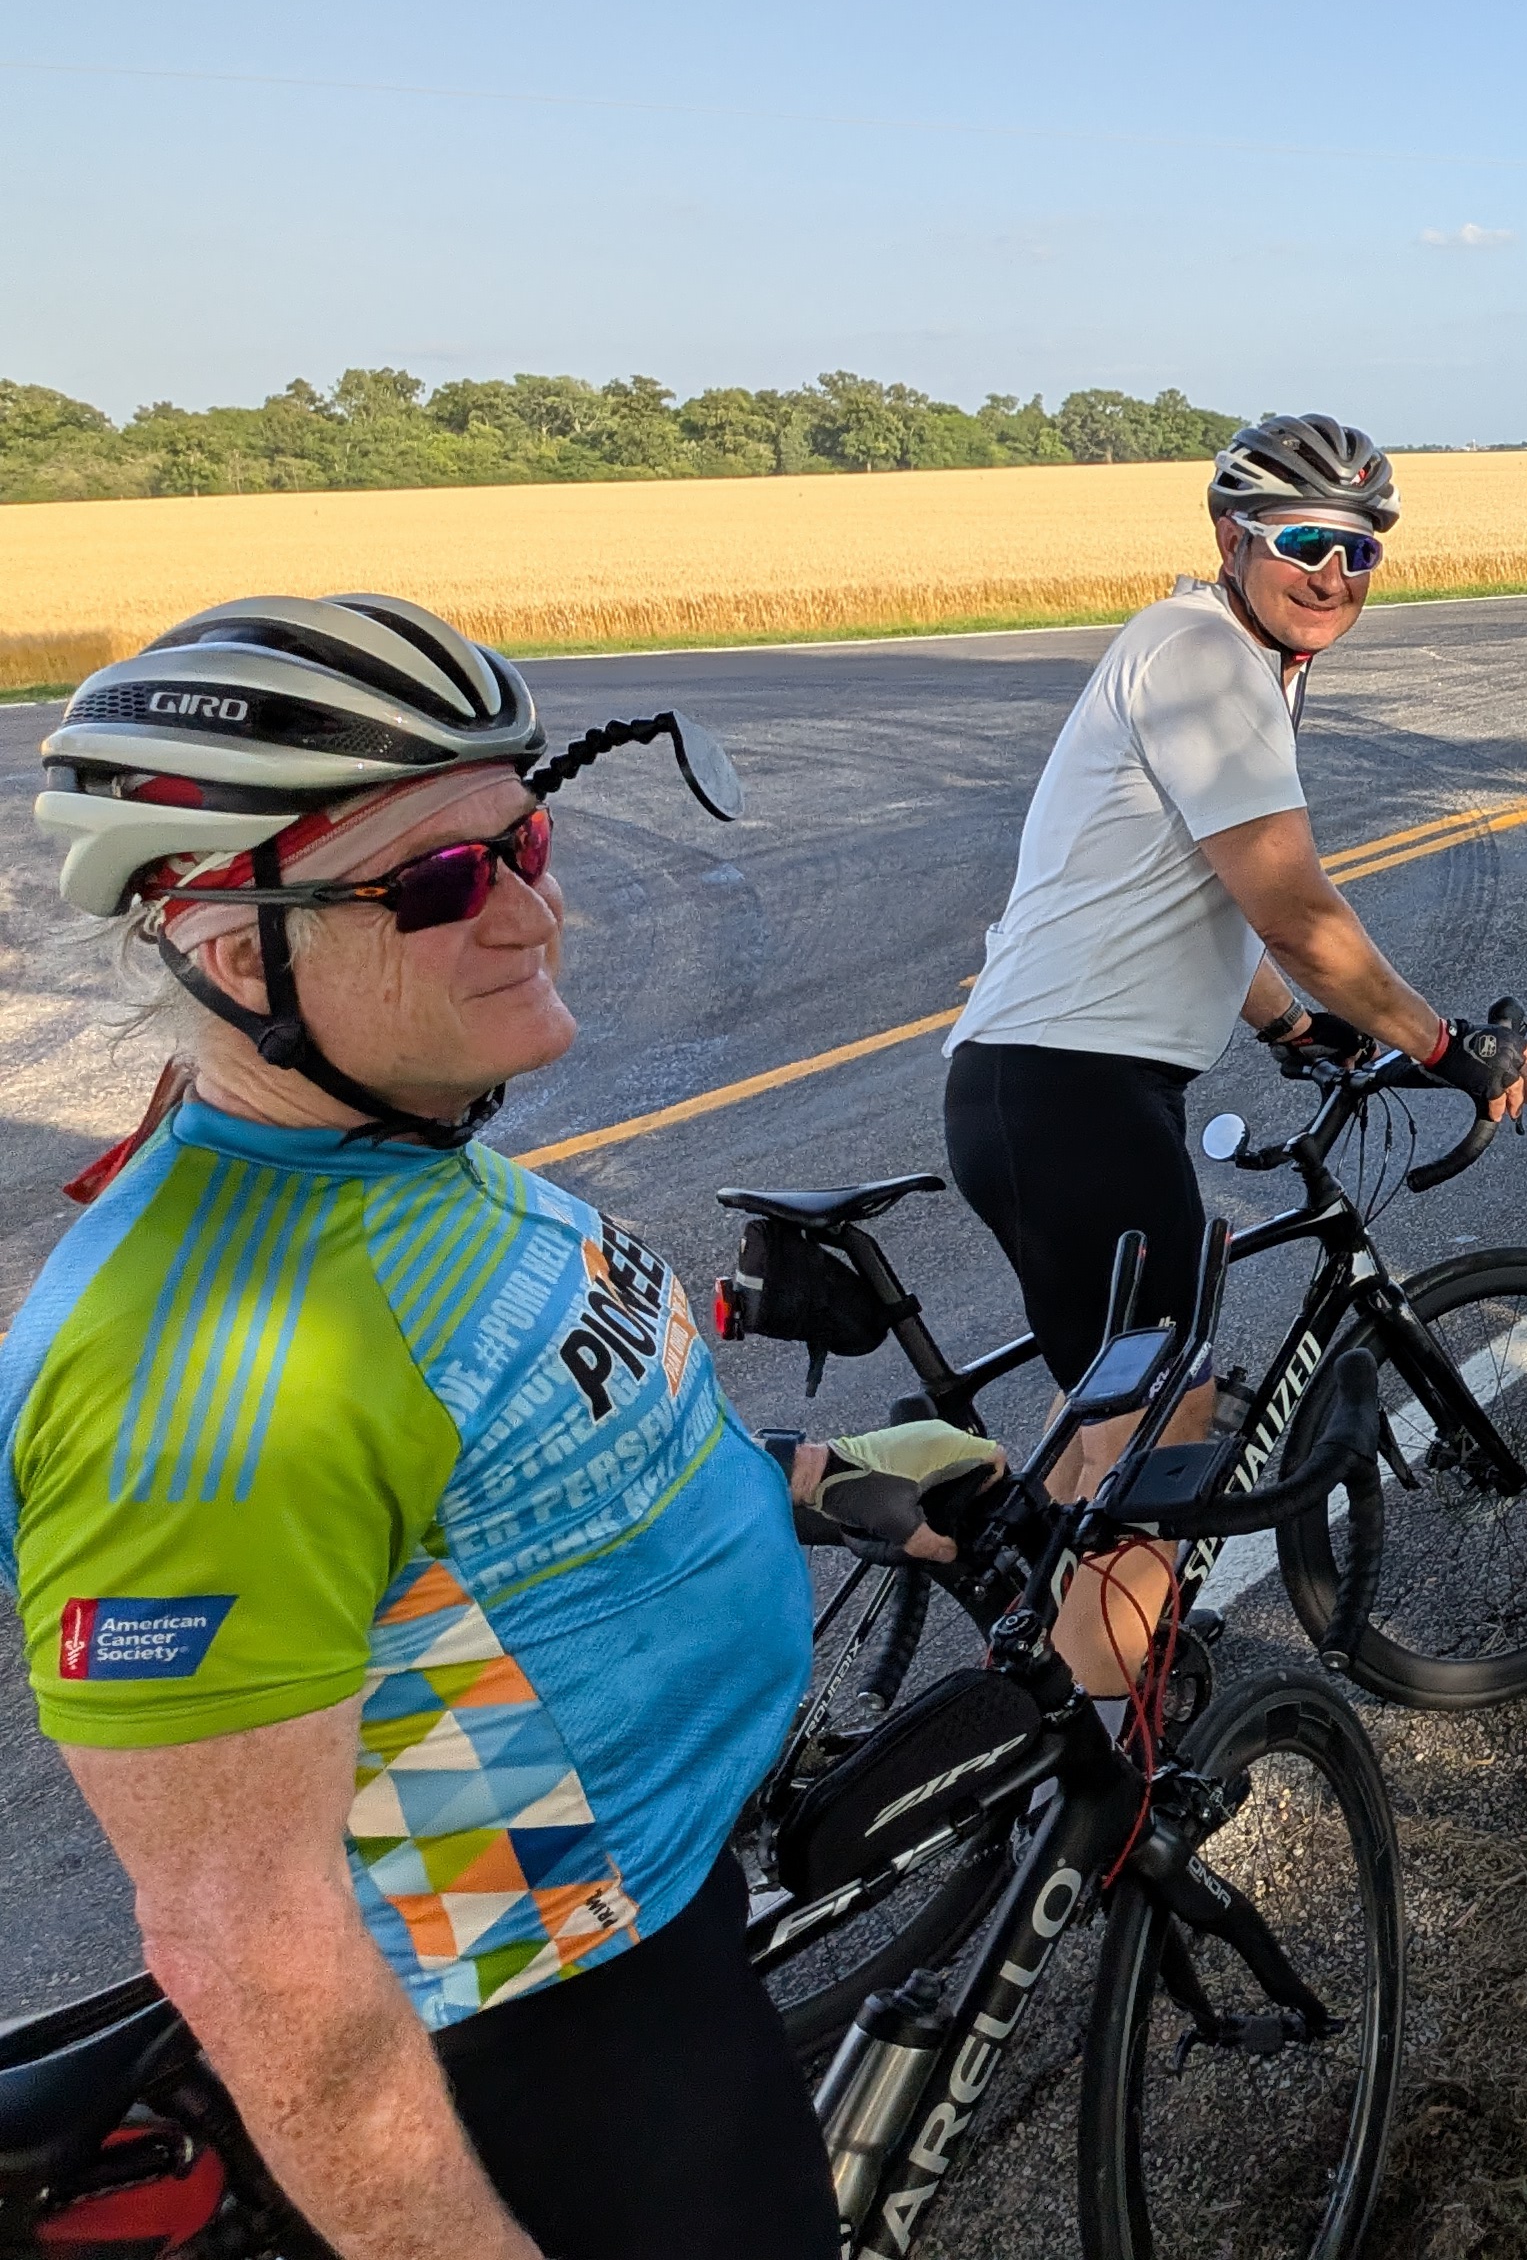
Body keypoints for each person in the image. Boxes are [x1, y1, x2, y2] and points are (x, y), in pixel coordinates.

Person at [7, 593, 992, 2260]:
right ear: (240, 952)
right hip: (557, 2037)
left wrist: (807, 1481)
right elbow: (253, 1954)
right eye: (448, 879)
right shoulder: (197, 1373)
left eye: (525, 835)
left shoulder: (392, 1141)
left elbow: (487, 1488)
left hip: (665, 1904)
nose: (540, 907)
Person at [941, 409, 1527, 1417]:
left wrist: (1292, 1023)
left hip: (1052, 1089)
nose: (1332, 574)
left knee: (1110, 1423)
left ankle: (998, 1552)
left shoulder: (1214, 654)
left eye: (1359, 550)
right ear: (1232, 539)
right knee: (1164, 1438)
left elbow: (1202, 889)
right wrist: (1446, 1049)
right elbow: (1296, 913)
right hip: (1077, 1097)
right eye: (1305, 542)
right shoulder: (1207, 662)